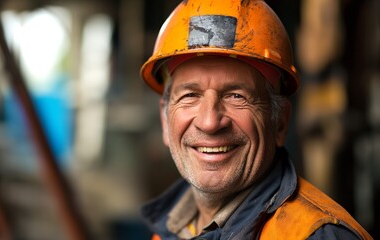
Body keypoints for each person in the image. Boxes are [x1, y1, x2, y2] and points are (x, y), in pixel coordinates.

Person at [139, 0, 373, 239]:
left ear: (280, 122)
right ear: (165, 122)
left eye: (236, 96)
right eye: (190, 95)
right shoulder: (169, 230)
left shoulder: (316, 235)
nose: (209, 122)